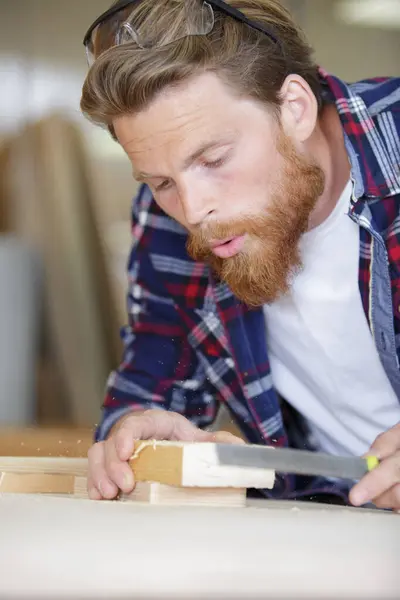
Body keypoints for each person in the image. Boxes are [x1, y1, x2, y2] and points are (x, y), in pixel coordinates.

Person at [80, 0, 400, 510]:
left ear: (293, 108)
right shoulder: (165, 216)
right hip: (332, 525)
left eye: (213, 159)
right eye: (162, 181)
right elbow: (156, 369)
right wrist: (135, 426)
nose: (193, 209)